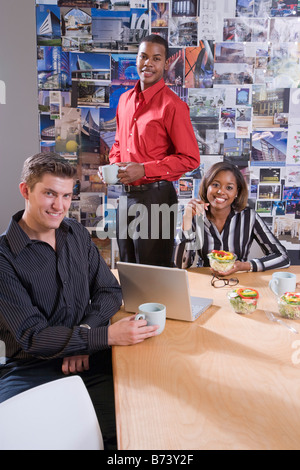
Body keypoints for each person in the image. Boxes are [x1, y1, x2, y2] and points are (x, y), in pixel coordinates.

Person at [0, 152, 159, 450]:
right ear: (25, 190)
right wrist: (104, 336)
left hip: (90, 360)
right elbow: (32, 338)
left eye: (66, 195)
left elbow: (109, 292)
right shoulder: (3, 258)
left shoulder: (75, 234)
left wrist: (86, 337)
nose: (59, 206)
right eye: (49, 194)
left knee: (139, 429)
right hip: (31, 370)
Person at [107, 34, 200, 267]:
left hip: (156, 198)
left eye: (156, 58)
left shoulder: (173, 106)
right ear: (136, 59)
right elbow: (118, 143)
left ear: (166, 63)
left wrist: (144, 170)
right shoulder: (125, 100)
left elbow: (190, 159)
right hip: (126, 197)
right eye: (143, 56)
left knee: (152, 272)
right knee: (127, 267)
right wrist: (113, 165)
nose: (148, 63)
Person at [175, 161, 290, 274]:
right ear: (206, 186)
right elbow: (182, 265)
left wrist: (244, 266)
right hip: (206, 280)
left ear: (236, 192)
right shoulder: (196, 217)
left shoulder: (249, 217)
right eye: (215, 185)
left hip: (239, 283)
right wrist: (187, 223)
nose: (221, 192)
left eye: (229, 188)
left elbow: (282, 257)